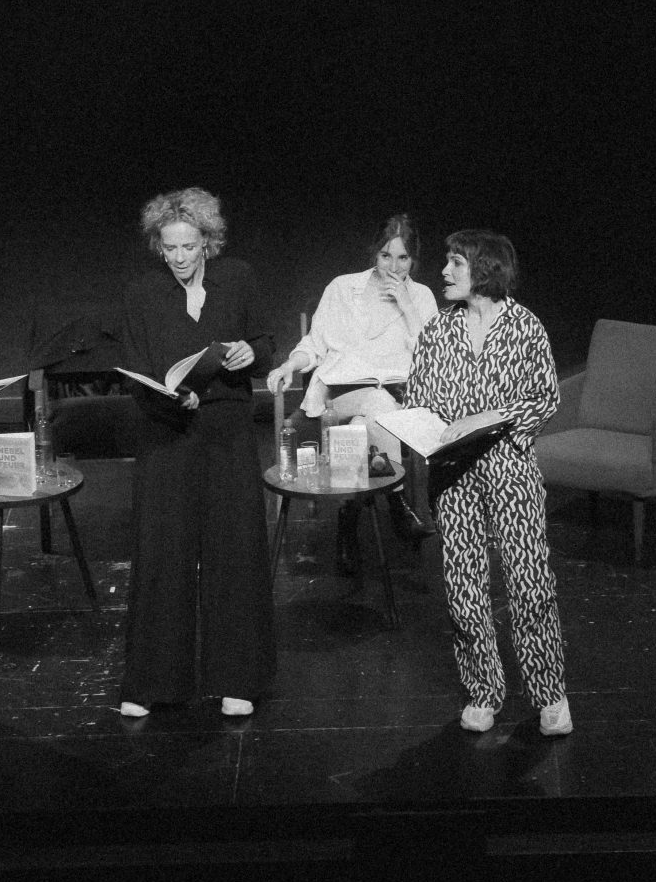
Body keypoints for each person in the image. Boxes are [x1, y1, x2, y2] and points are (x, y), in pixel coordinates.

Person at [116, 187, 281, 719]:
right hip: (167, 434)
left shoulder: (238, 278)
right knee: (163, 553)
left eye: (190, 247)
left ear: (208, 242)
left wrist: (251, 352)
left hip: (227, 431)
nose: (181, 258)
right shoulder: (143, 294)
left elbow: (265, 343)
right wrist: (170, 395)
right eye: (170, 248)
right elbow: (134, 372)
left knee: (234, 551)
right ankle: (151, 682)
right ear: (158, 247)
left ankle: (238, 678)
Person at [406, 228, 570, 737]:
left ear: (484, 269)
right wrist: (421, 426)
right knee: (463, 588)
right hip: (454, 473)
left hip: (509, 468)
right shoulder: (437, 330)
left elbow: (546, 398)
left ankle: (550, 695)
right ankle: (483, 690)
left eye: (456, 263)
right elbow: (421, 396)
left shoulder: (525, 327)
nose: (445, 271)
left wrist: (489, 416)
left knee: (529, 583)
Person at [265, 213, 441, 558]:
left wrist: (407, 307)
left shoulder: (421, 296)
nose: (393, 266)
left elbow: (434, 356)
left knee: (367, 422)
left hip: (397, 397)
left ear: (413, 260)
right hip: (337, 395)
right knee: (375, 404)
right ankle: (398, 505)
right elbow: (314, 345)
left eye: (403, 258)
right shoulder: (343, 288)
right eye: (386, 256)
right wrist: (289, 364)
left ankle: (349, 521)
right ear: (374, 253)